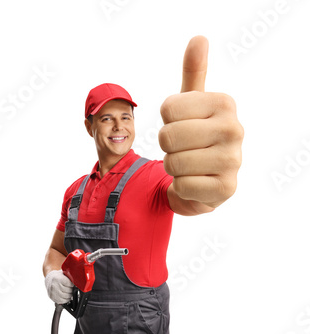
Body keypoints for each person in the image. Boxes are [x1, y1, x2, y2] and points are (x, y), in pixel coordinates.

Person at [42, 35, 244, 334]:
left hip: (140, 318)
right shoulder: (75, 192)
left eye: (126, 117)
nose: (119, 126)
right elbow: (55, 251)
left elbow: (191, 199)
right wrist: (53, 275)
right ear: (90, 127)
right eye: (106, 118)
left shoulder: (154, 174)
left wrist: (212, 186)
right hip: (85, 319)